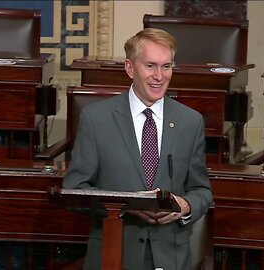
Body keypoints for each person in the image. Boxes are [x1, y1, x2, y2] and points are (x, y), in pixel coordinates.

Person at [63, 27, 213, 270]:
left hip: (171, 257)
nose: (160, 76)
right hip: (115, 252)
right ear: (130, 68)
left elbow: (201, 191)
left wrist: (185, 206)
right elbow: (74, 191)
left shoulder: (190, 121)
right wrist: (127, 206)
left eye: (166, 66)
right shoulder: (96, 119)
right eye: (151, 66)